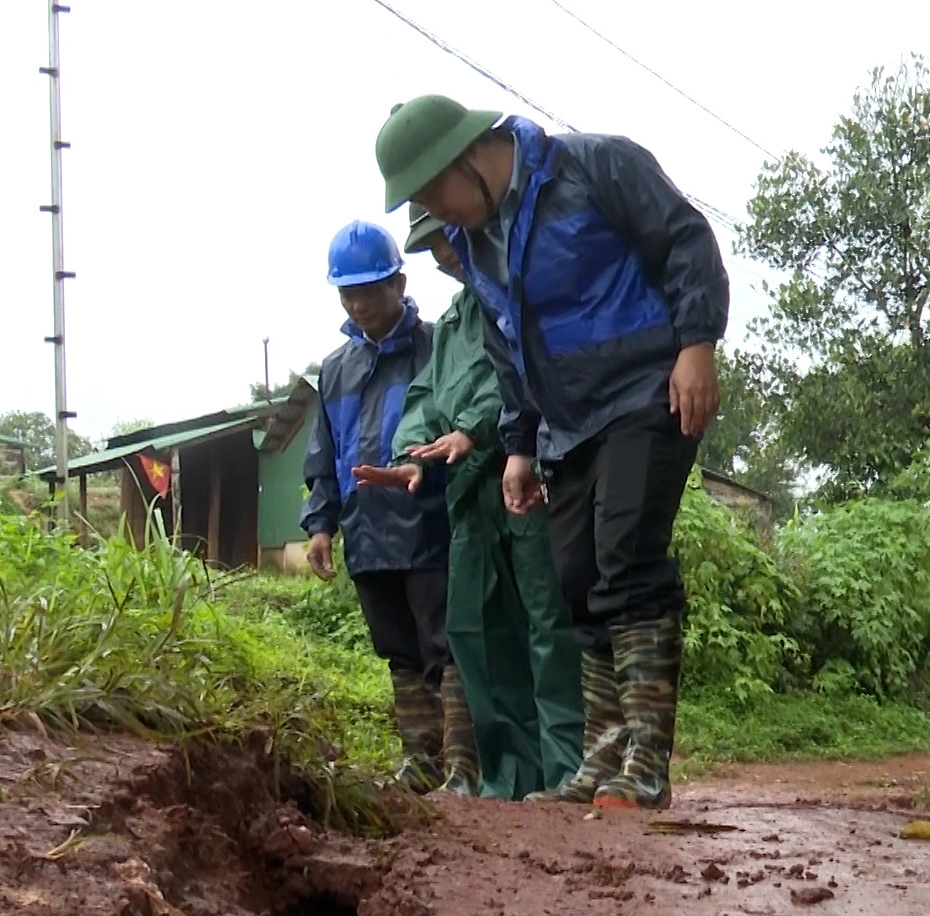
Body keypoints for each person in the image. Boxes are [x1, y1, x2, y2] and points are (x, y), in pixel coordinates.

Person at [372, 94, 728, 810]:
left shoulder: (593, 166)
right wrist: (520, 446)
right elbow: (510, 349)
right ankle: (600, 759)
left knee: (627, 560)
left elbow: (685, 240)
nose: (437, 213)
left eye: (434, 192)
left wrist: (696, 344)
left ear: (468, 156)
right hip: (566, 427)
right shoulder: (478, 246)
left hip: (644, 393)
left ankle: (647, 762)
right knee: (577, 582)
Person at [352, 206, 586, 801]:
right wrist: (414, 455)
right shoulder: (456, 319)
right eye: (431, 246)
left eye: (447, 240)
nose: (443, 255)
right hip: (466, 496)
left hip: (523, 476)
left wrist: (479, 431)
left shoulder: (518, 293)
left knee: (544, 623)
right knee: (478, 631)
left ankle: (563, 771)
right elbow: (428, 394)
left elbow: (521, 379)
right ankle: (501, 775)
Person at [300, 219, 474, 795]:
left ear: (399, 283)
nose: (358, 302)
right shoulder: (334, 369)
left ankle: (460, 767)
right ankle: (419, 761)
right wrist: (322, 524)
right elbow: (323, 452)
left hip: (428, 522)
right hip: (366, 530)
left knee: (442, 645)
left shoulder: (434, 347)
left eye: (369, 289)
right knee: (397, 649)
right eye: (348, 292)